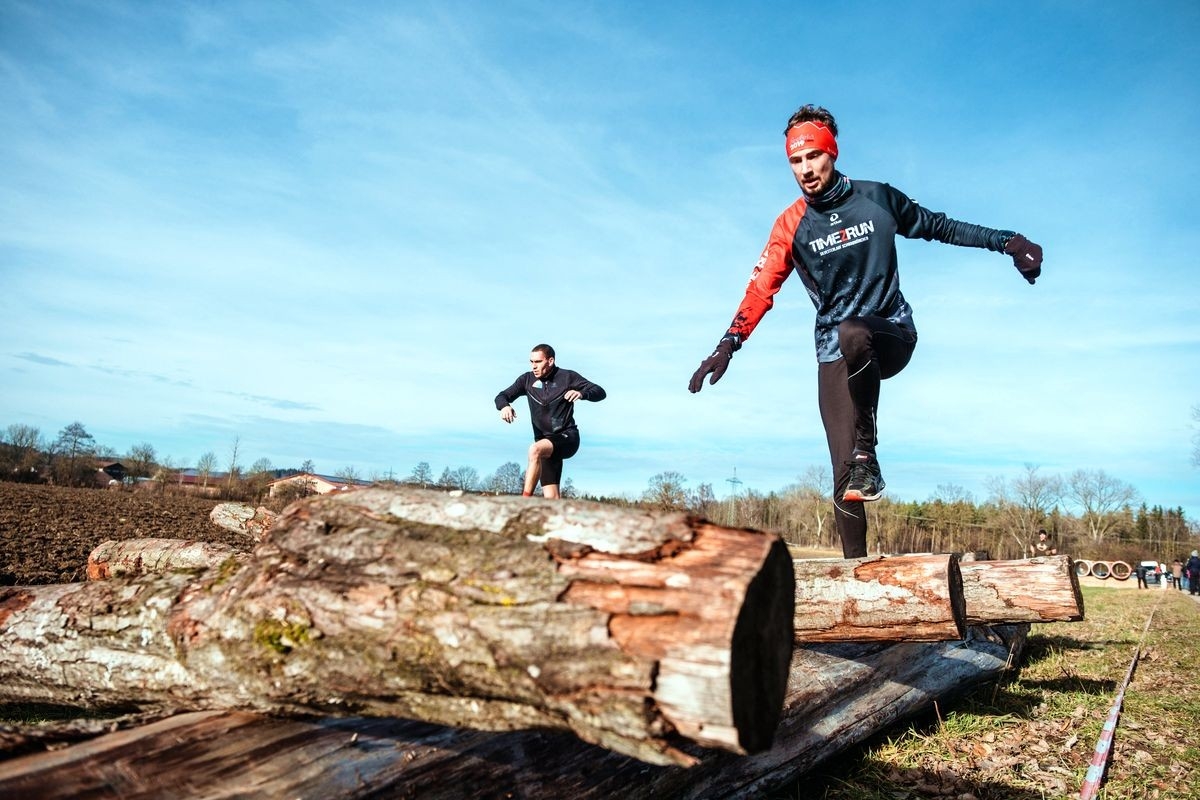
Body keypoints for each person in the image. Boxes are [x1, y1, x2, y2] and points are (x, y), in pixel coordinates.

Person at [688, 104, 1043, 558]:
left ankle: (866, 452)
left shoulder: (876, 198)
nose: (805, 169)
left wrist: (1008, 241)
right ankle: (857, 582)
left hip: (889, 333)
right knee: (843, 477)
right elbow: (760, 290)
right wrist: (727, 345)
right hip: (833, 351)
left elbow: (941, 226)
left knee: (856, 333)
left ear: (832, 152)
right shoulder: (790, 225)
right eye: (795, 161)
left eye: (813, 156)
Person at [495, 344, 605, 498]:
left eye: (538, 362)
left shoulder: (567, 377)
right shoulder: (526, 380)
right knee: (551, 498)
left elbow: (600, 392)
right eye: (531, 362)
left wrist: (581, 393)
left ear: (550, 361)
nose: (534, 366)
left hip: (567, 438)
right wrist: (504, 407)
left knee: (534, 450)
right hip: (545, 443)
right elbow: (501, 396)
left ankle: (524, 501)